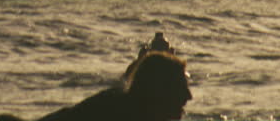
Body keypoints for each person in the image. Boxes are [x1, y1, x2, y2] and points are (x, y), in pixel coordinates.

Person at [35, 51, 193, 121]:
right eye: (180, 87)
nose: (189, 96)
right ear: (159, 91)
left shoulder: (130, 103)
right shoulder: (122, 112)